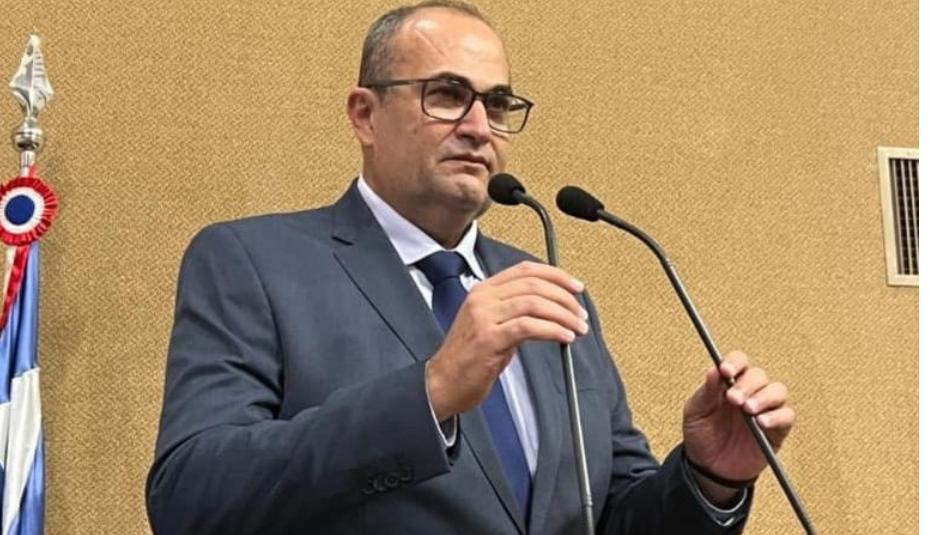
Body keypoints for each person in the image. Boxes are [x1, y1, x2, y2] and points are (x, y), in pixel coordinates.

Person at [146, 2, 795, 534]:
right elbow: (190, 497)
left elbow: (610, 514)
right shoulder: (254, 263)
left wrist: (708, 477)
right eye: (448, 95)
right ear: (365, 115)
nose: (480, 127)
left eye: (498, 103)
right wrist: (429, 393)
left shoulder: (549, 295)